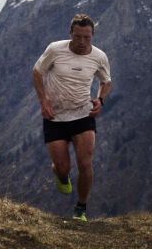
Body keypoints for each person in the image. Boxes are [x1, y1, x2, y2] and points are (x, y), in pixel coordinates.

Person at [32, 13, 111, 221]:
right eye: (78, 37)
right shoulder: (55, 49)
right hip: (54, 116)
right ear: (70, 34)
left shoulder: (99, 57)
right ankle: (60, 173)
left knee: (85, 164)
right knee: (64, 167)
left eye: (87, 37)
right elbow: (37, 72)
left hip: (82, 114)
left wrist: (100, 100)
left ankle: (80, 210)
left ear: (93, 35)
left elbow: (106, 81)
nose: (82, 42)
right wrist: (43, 101)